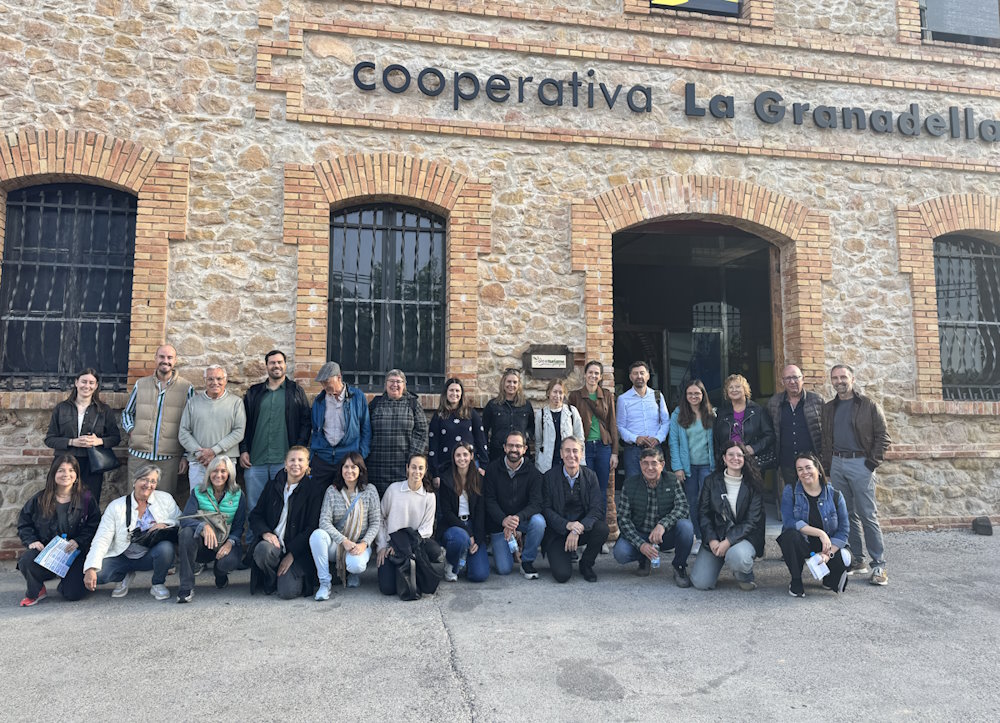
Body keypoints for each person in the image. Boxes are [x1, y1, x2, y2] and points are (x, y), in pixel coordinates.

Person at [821, 364, 891, 586]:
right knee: (847, 514)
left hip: (861, 463)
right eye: (835, 378)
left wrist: (871, 463)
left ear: (852, 378)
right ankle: (858, 561)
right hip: (838, 463)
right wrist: (828, 467)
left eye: (843, 377)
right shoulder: (829, 407)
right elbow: (825, 439)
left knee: (868, 515)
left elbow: (883, 436)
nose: (839, 381)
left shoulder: (868, 405)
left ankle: (879, 565)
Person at [83, 464, 182, 600]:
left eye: (153, 481)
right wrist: (91, 568)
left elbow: (181, 520)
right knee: (98, 576)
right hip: (121, 556)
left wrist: (165, 524)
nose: (148, 485)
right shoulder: (116, 506)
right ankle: (124, 575)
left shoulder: (165, 499)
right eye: (144, 479)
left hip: (149, 555)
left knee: (166, 548)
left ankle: (158, 583)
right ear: (134, 481)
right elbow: (102, 538)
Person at [16, 455, 100, 606]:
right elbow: (24, 523)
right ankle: (36, 590)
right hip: (48, 553)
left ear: (76, 476)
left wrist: (79, 541)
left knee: (73, 594)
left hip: (74, 553)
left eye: (71, 470)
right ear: (53, 474)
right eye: (61, 470)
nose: (66, 474)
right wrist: (32, 541)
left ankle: (68, 583)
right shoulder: (40, 498)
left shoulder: (86, 498)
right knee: (27, 560)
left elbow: (94, 525)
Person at [249, 446, 328, 599]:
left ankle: (284, 576)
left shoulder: (314, 490)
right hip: (274, 545)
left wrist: (292, 554)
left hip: (298, 551)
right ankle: (270, 578)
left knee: (287, 592)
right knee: (262, 551)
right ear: (285, 464)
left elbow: (312, 528)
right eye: (292, 460)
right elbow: (255, 515)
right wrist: (266, 533)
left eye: (300, 460)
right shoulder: (272, 486)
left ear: (307, 465)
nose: (295, 464)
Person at [240, 350, 312, 512]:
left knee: (283, 506)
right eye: (272, 363)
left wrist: (298, 451)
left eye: (280, 362)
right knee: (254, 506)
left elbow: (306, 422)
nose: (276, 365)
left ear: (285, 365)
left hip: (284, 461)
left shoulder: (295, 391)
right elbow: (243, 423)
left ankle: (277, 538)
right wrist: (243, 449)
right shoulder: (254, 392)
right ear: (266, 366)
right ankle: (254, 538)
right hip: (255, 460)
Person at [690, 441, 765, 591]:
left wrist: (728, 542)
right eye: (730, 454)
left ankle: (744, 575)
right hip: (716, 536)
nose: (735, 458)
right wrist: (712, 539)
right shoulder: (710, 481)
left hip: (744, 537)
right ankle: (720, 558)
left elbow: (752, 521)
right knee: (701, 583)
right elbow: (703, 514)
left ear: (744, 459)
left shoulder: (754, 483)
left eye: (739, 455)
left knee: (737, 557)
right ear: (724, 459)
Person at [121, 344, 194, 497]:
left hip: (169, 458)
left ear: (175, 361)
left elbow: (192, 425)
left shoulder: (186, 388)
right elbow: (127, 413)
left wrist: (186, 456)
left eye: (169, 358)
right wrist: (132, 430)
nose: (165, 361)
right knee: (135, 499)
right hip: (139, 456)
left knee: (163, 502)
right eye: (161, 357)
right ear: (155, 359)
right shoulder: (141, 384)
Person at [613, 447, 693, 587]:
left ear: (662, 465)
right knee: (621, 553)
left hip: (664, 535)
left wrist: (663, 525)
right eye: (645, 463)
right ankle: (644, 557)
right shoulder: (630, 484)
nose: (649, 467)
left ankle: (679, 566)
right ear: (640, 464)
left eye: (654, 463)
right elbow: (623, 519)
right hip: (641, 533)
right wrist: (641, 544)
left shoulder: (673, 480)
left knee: (686, 527)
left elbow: (683, 507)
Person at [778, 453, 852, 598]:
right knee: (789, 536)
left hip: (827, 546)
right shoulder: (790, 491)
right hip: (803, 544)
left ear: (818, 469)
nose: (804, 472)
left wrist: (828, 555)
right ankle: (796, 580)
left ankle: (829, 577)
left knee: (845, 557)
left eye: (808, 467)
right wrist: (820, 533)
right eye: (800, 469)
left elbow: (844, 531)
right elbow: (789, 522)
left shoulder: (835, 495)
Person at [310, 452, 381, 599]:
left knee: (357, 565)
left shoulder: (370, 491)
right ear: (341, 469)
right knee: (317, 536)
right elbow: (324, 521)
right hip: (338, 544)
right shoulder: (332, 491)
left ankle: (352, 573)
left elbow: (375, 522)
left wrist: (364, 544)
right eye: (346, 467)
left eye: (354, 467)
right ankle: (324, 583)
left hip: (359, 544)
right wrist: (344, 540)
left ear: (360, 470)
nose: (349, 471)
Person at [44, 368, 121, 502]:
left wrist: (99, 441)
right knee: (60, 499)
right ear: (76, 383)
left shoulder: (103, 410)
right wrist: (71, 442)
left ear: (96, 386)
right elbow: (50, 439)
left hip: (92, 464)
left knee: (88, 501)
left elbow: (115, 438)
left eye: (91, 383)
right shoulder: (61, 408)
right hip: (64, 462)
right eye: (83, 381)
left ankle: (87, 524)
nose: (87, 386)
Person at [176, 455, 246, 602]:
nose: (218, 475)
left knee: (227, 562)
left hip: (225, 543)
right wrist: (203, 526)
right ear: (209, 473)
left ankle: (220, 573)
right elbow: (185, 519)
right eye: (214, 471)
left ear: (229, 474)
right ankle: (186, 586)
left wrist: (229, 543)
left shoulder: (238, 494)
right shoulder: (198, 492)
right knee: (186, 534)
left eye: (223, 471)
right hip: (204, 545)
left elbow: (239, 527)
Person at [541, 437, 610, 583]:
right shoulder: (549, 477)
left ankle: (586, 564)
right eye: (567, 451)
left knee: (602, 528)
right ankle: (564, 554)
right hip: (558, 532)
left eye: (575, 451)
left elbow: (597, 509)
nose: (571, 455)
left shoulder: (591, 476)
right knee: (562, 576)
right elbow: (546, 509)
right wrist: (567, 525)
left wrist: (578, 528)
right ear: (561, 453)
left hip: (581, 530)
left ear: (582, 454)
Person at [483, 430, 546, 579]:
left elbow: (536, 503)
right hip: (499, 523)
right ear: (504, 447)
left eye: (518, 446)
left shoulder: (534, 473)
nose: (514, 449)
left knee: (539, 522)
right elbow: (489, 500)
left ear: (525, 449)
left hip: (521, 520)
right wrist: (503, 520)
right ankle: (511, 547)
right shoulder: (492, 470)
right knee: (504, 569)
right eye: (510, 445)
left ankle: (527, 561)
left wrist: (517, 518)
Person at [375, 453, 438, 595]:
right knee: (388, 589)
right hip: (390, 544)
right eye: (413, 467)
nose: (417, 472)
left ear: (425, 470)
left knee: (434, 552)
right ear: (407, 468)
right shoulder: (393, 490)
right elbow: (380, 517)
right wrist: (383, 546)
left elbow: (426, 529)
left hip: (414, 545)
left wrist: (400, 546)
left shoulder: (429, 496)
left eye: (421, 468)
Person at [766, 364, 823, 517]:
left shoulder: (816, 401)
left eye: (795, 377)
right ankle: (798, 533)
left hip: (812, 462)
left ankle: (816, 532)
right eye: (788, 378)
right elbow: (769, 431)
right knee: (793, 498)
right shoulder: (774, 403)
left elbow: (826, 431)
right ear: (782, 381)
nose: (792, 381)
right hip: (786, 462)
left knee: (815, 498)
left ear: (802, 379)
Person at [178, 364, 246, 491]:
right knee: (199, 501)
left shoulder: (236, 403)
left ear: (225, 380)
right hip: (199, 463)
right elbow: (183, 432)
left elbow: (239, 431)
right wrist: (200, 454)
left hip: (226, 462)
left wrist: (213, 451)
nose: (215, 382)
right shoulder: (193, 403)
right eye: (210, 379)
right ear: (205, 381)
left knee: (225, 502)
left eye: (219, 379)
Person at [668, 379, 715, 554]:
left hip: (707, 466)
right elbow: (673, 442)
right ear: (685, 396)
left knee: (707, 502)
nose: (694, 396)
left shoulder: (712, 414)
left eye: (697, 393)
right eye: (690, 394)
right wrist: (677, 467)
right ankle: (696, 537)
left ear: (703, 395)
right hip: (688, 468)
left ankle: (709, 536)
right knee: (691, 502)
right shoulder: (678, 414)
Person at [568, 360, 619, 518]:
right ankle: (585, 527)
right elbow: (569, 425)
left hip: (603, 447)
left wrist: (615, 452)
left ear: (601, 376)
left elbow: (612, 423)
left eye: (597, 373)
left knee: (602, 489)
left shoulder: (607, 395)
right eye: (590, 372)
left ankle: (599, 529)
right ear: (585, 374)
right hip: (584, 448)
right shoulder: (575, 396)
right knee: (584, 488)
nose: (593, 375)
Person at [309, 361, 371, 488]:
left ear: (339, 377)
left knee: (345, 497)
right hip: (323, 458)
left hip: (348, 458)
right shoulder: (319, 401)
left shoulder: (357, 397)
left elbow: (365, 428)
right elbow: (315, 429)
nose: (324, 385)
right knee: (317, 497)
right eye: (322, 383)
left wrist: (361, 455)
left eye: (326, 381)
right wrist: (313, 456)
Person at [367, 369, 429, 497]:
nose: (394, 385)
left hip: (403, 466)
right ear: (385, 384)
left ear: (404, 385)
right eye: (391, 381)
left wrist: (412, 460)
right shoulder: (375, 404)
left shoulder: (413, 405)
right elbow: (366, 431)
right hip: (377, 466)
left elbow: (422, 432)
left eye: (398, 382)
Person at [436, 443, 490, 583]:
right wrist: (468, 533)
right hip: (452, 526)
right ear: (453, 458)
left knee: (479, 575)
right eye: (458, 455)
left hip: (473, 524)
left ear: (471, 456)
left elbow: (480, 512)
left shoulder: (479, 479)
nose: (462, 458)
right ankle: (451, 562)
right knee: (461, 538)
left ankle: (465, 560)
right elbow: (446, 512)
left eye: (465, 455)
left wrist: (477, 539)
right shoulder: (446, 479)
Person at [428, 377, 489, 486]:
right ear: (446, 393)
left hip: (469, 466)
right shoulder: (439, 416)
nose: (454, 393)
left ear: (461, 394)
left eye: (457, 391)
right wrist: (435, 473)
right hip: (446, 466)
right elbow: (433, 445)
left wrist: (483, 466)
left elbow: (481, 441)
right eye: (451, 390)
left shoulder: (471, 414)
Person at [616, 360, 670, 480]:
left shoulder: (657, 396)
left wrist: (658, 438)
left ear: (648, 375)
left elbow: (666, 421)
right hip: (633, 450)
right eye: (635, 373)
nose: (639, 376)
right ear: (630, 377)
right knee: (633, 485)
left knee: (659, 483)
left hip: (655, 448)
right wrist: (636, 438)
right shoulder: (623, 399)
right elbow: (620, 426)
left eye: (642, 373)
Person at [713, 373, 775, 472]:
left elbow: (769, 435)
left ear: (745, 389)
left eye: (738, 386)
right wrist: (720, 458)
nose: (734, 390)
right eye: (730, 387)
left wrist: (754, 448)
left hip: (751, 463)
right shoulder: (721, 413)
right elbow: (716, 439)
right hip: (728, 463)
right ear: (726, 392)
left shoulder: (758, 411)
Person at [482, 368, 534, 462]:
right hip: (497, 453)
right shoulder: (493, 405)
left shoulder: (526, 405)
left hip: (520, 455)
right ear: (503, 383)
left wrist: (524, 437)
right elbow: (484, 430)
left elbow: (531, 428)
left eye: (515, 382)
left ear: (519, 385)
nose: (511, 385)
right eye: (509, 381)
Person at [534, 378, 585, 474]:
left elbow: (580, 439)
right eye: (555, 392)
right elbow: (538, 442)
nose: (557, 396)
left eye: (561, 392)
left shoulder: (572, 412)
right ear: (549, 393)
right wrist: (538, 462)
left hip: (568, 461)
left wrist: (581, 462)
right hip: (548, 463)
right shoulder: (541, 415)